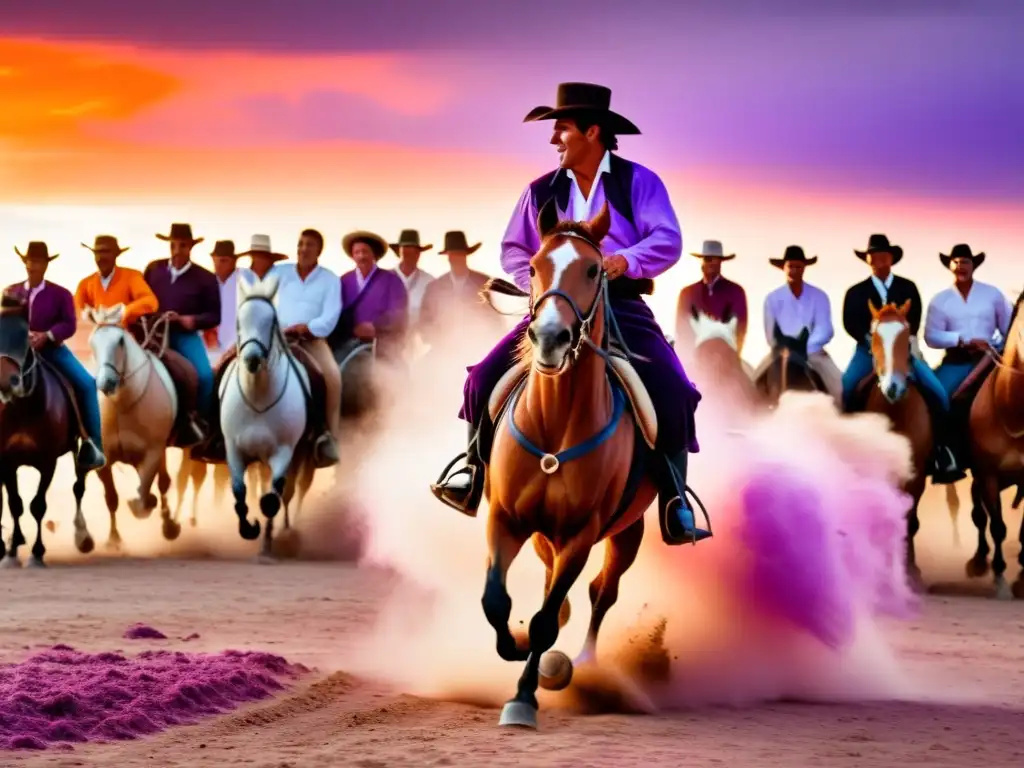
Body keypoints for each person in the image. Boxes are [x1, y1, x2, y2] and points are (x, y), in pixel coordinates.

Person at [430, 81, 708, 545]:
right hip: (555, 306)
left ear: (592, 131)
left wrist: (625, 261)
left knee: (676, 390)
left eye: (561, 130)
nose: (553, 140)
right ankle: (473, 477)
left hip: (618, 302)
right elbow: (514, 249)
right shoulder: (539, 190)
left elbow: (668, 238)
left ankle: (675, 500)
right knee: (480, 379)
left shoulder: (639, 181)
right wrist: (542, 287)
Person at [840, 234, 962, 482]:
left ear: (891, 259)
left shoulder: (907, 288)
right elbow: (849, 322)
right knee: (846, 388)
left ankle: (942, 451)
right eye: (873, 257)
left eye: (882, 256)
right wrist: (871, 340)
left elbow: (915, 319)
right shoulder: (856, 292)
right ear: (868, 260)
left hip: (903, 350)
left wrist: (899, 341)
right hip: (868, 351)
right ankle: (845, 455)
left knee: (937, 391)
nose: (877, 260)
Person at [7, 242, 105, 470]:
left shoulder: (60, 294)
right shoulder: (11, 292)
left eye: (39, 261)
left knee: (87, 384)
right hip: (18, 354)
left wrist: (47, 335)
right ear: (25, 263)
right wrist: (22, 335)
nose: (33, 265)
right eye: (30, 261)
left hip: (52, 351)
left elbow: (69, 325)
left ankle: (93, 446)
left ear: (45, 265)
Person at [923, 244, 1012, 473]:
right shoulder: (940, 300)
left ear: (974, 266)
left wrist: (995, 346)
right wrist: (962, 339)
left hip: (991, 359)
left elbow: (1009, 329)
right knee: (935, 396)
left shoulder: (993, 294)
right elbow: (931, 337)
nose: (961, 266)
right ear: (950, 266)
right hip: (957, 360)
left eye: (966, 262)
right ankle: (943, 453)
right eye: (956, 262)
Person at [142, 222, 220, 445]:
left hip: (185, 336)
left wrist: (190, 320)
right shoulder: (153, 270)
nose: (177, 251)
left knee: (204, 376)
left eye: (183, 246)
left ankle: (199, 425)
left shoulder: (205, 278)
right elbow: (141, 300)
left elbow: (215, 315)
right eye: (174, 245)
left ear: (190, 247)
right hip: (154, 334)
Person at [273, 229, 343, 465]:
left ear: (319, 251)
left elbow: (331, 315)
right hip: (279, 338)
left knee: (332, 377)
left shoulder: (330, 279)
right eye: (301, 244)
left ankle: (328, 437)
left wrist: (308, 327)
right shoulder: (280, 272)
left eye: (309, 245)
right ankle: (225, 433)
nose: (303, 249)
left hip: (311, 340)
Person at [756, 245, 842, 404]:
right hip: (780, 351)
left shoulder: (819, 296)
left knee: (838, 385)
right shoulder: (772, 298)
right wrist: (785, 347)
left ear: (804, 268)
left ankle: (839, 419)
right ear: (784, 267)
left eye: (798, 266)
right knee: (752, 383)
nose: (794, 270)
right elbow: (770, 334)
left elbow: (825, 328)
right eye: (790, 266)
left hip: (813, 352)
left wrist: (806, 347)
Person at [332, 230, 409, 361]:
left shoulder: (392, 280)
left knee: (393, 374)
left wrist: (376, 327)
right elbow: (336, 312)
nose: (361, 256)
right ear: (353, 256)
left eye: (365, 251)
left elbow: (399, 313)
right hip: (349, 343)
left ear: (374, 255)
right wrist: (353, 328)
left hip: (383, 343)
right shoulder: (344, 281)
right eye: (357, 252)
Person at [419, 230, 498, 349]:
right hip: (442, 348)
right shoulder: (434, 287)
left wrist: (486, 340)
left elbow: (493, 316)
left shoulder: (483, 282)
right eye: (453, 254)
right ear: (448, 257)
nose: (456, 258)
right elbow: (425, 320)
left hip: (477, 347)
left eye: (459, 254)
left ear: (466, 255)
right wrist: (435, 339)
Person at [675, 239, 748, 354]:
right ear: (701, 261)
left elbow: (741, 327)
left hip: (726, 353)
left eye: (712, 259)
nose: (709, 263)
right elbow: (681, 327)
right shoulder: (687, 293)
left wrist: (734, 354)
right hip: (694, 354)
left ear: (720, 262)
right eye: (706, 259)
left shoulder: (736, 291)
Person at [74, 235, 158, 328]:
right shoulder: (85, 284)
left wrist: (124, 311)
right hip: (95, 335)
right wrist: (88, 315)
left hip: (125, 335)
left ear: (115, 254)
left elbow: (150, 301)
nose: (100, 258)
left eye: (105, 252)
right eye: (97, 253)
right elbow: (76, 312)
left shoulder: (131, 276)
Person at [389, 229, 434, 333]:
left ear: (419, 254)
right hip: (389, 341)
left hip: (420, 341)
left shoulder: (429, 282)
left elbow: (435, 315)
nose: (410, 256)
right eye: (406, 251)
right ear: (400, 253)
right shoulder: (384, 280)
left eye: (414, 251)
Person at [205, 240, 241, 357]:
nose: (219, 264)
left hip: (237, 348)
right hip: (210, 348)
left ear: (234, 262)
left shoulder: (244, 283)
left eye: (224, 261)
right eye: (216, 260)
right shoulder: (207, 284)